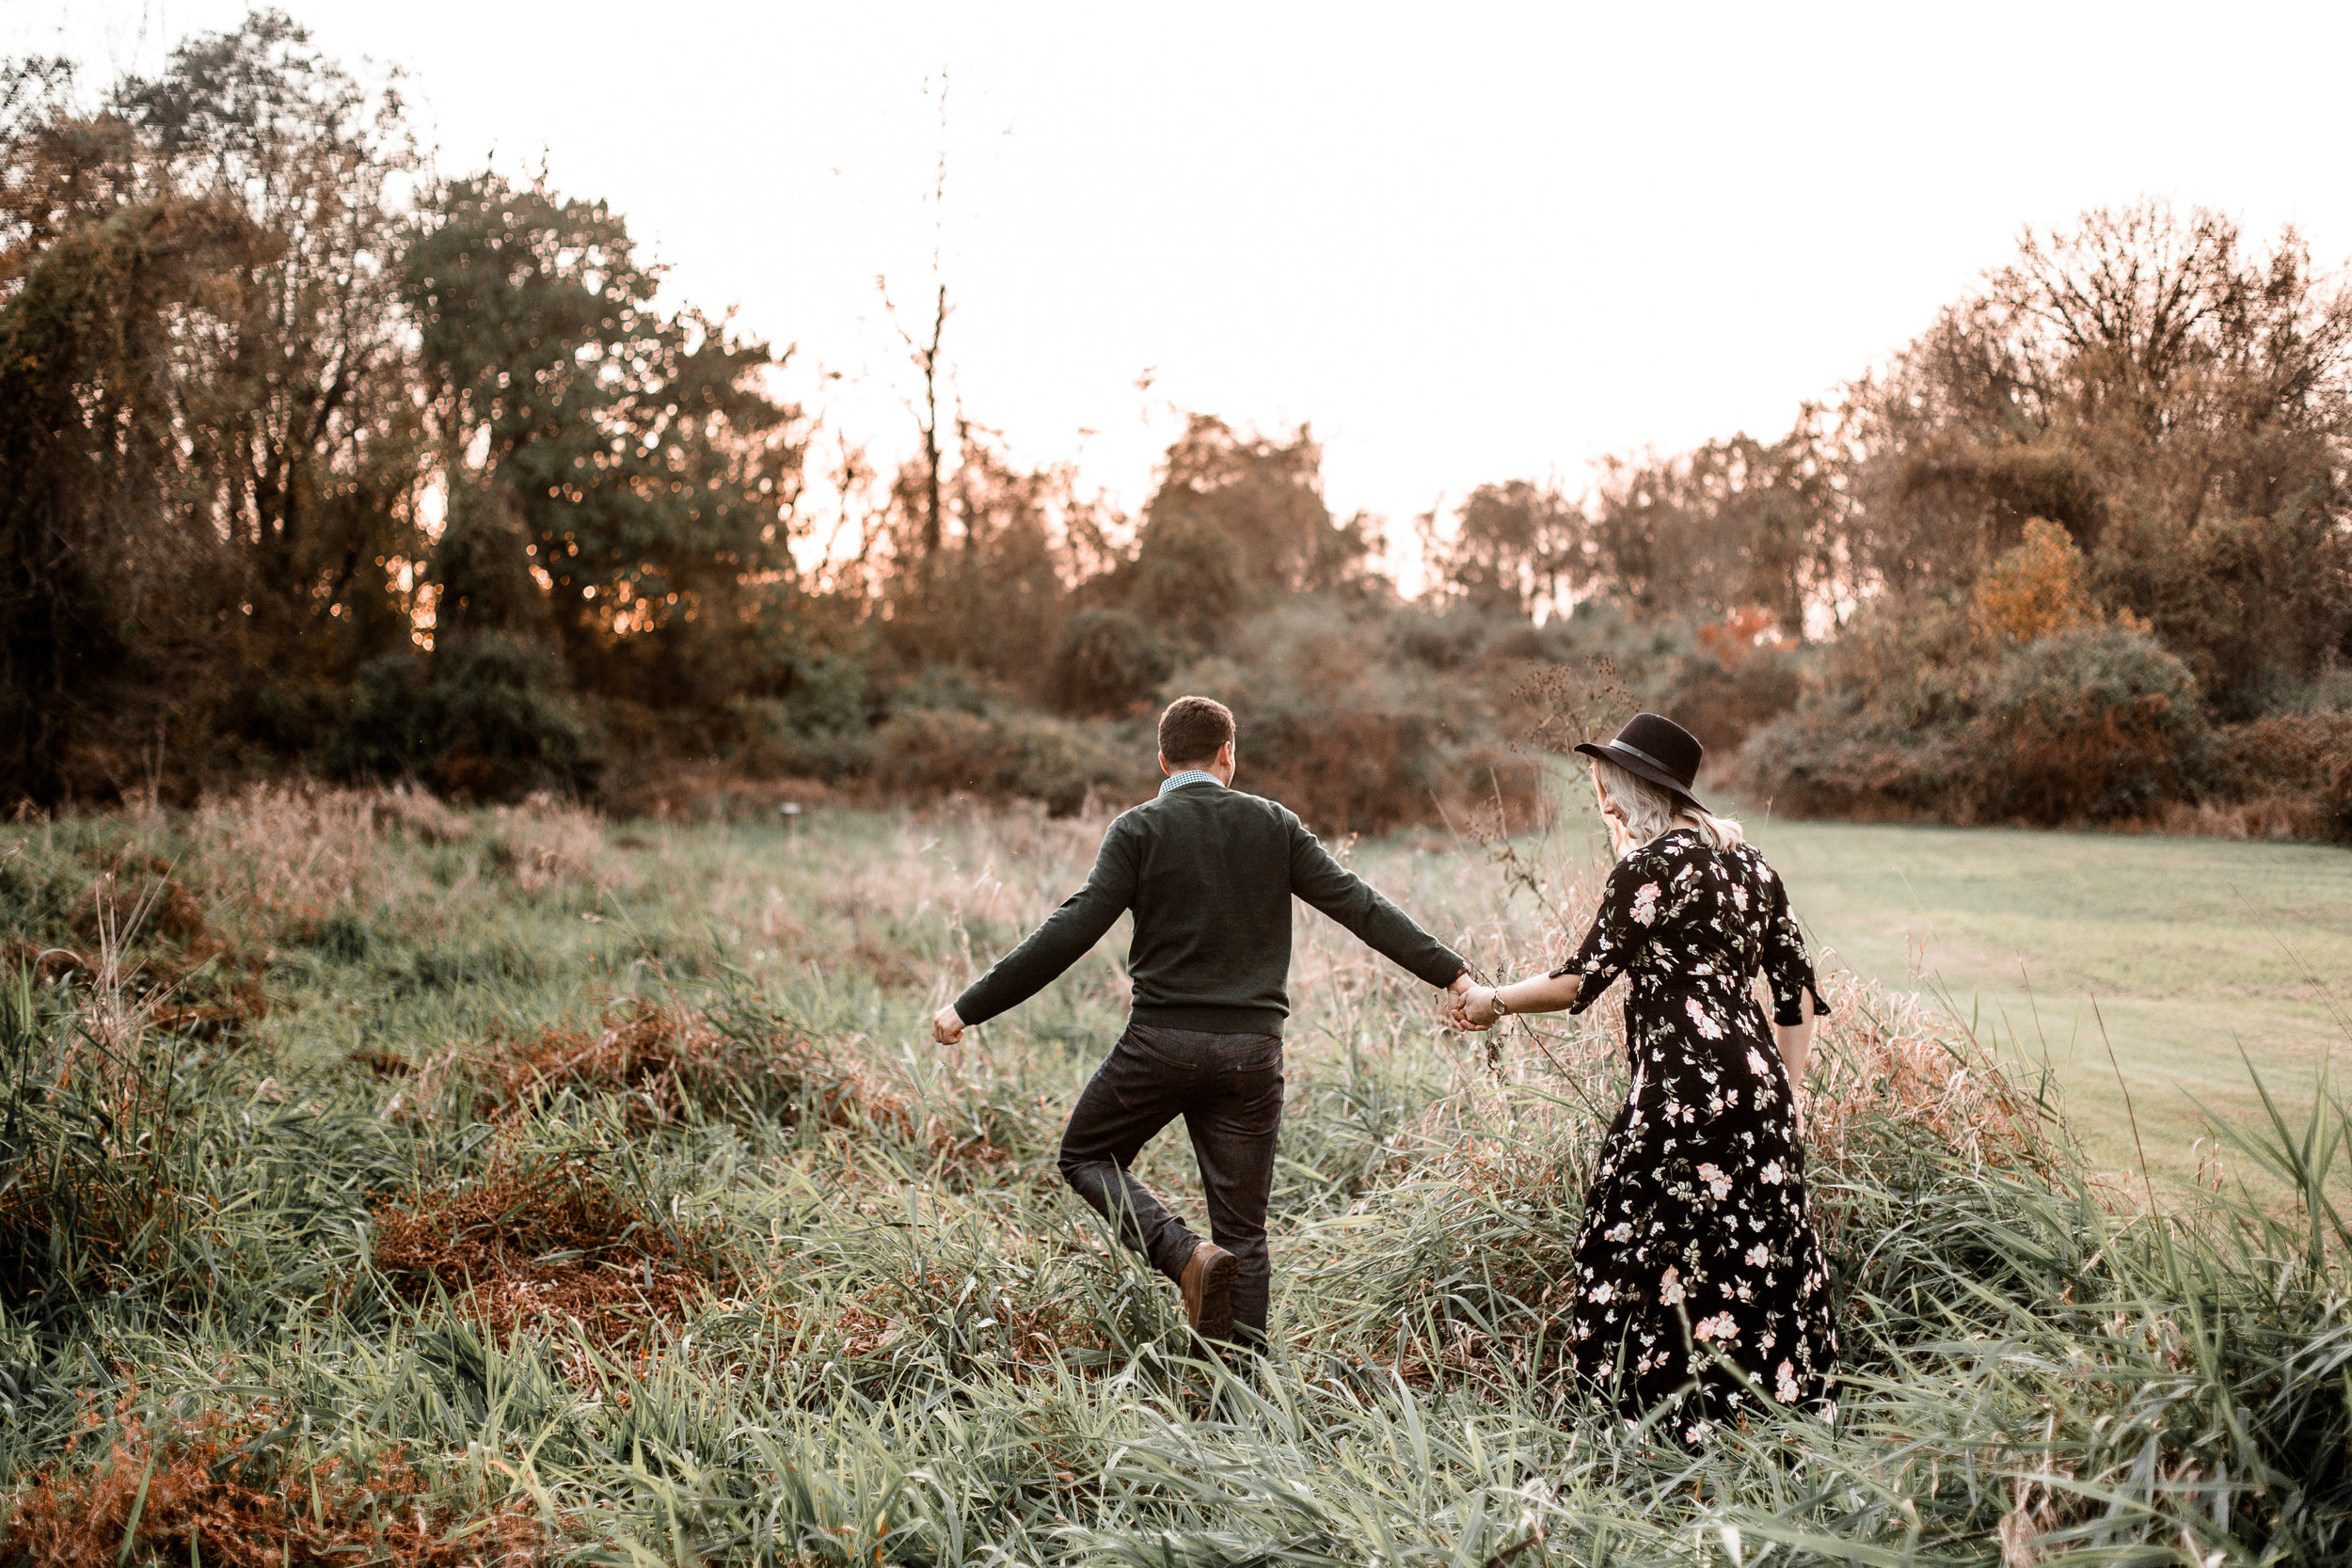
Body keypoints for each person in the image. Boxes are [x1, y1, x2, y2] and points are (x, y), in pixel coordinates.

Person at [932, 695, 1473, 1349]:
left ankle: (1184, 1255)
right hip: (1252, 1054)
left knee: (1085, 1155)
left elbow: (1068, 929)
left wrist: (968, 1005)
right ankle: (1237, 1408)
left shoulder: (1138, 829)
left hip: (1160, 1045)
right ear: (1227, 754)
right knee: (1245, 1231)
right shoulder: (1274, 823)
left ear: (1162, 760)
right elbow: (1359, 904)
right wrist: (1454, 973)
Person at [1443, 712, 1838, 1442]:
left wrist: (1493, 1000)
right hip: (1760, 1092)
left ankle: (1654, 1422)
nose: (1607, 807)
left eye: (1608, 791)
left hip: (1680, 1091)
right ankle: (1764, 1415)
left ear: (1636, 789)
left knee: (1631, 1245)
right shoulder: (1756, 868)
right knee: (1752, 1251)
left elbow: (1576, 982)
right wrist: (1785, 1087)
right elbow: (1798, 997)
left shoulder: (1650, 867)